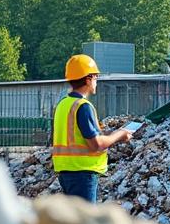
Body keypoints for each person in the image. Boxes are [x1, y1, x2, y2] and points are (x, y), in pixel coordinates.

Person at [51, 54, 133, 202]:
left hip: (66, 172)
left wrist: (109, 133)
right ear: (88, 79)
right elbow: (96, 144)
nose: (96, 82)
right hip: (82, 174)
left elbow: (77, 135)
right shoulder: (83, 106)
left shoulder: (63, 104)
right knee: (85, 223)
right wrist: (120, 134)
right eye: (96, 78)